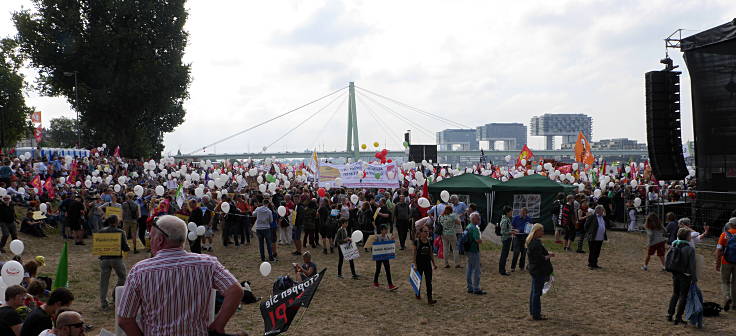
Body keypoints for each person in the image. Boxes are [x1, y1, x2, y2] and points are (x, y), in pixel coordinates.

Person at [117, 215, 244, 336]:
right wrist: (218, 325)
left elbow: (125, 320)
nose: (150, 242)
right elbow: (235, 290)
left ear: (160, 240)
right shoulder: (207, 263)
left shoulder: (140, 271)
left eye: (151, 238)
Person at [98, 215, 130, 310]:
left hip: (104, 259)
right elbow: (125, 247)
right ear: (116, 222)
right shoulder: (120, 232)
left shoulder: (101, 231)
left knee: (104, 281)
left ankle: (103, 302)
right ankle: (115, 295)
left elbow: (98, 245)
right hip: (116, 259)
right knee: (123, 277)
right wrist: (128, 247)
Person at [667, 228, 697, 325]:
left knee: (675, 293)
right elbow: (692, 266)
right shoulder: (690, 249)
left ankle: (669, 314)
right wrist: (694, 277)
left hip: (675, 273)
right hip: (685, 275)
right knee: (683, 295)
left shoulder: (674, 245)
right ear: (687, 237)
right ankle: (678, 317)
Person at [526, 223, 554, 321]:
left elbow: (537, 255)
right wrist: (548, 256)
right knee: (537, 293)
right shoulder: (536, 243)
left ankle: (533, 312)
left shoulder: (532, 241)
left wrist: (548, 254)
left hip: (534, 269)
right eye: (541, 230)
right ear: (537, 231)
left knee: (534, 291)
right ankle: (536, 314)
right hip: (538, 270)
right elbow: (539, 258)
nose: (543, 232)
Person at [715, 217, 736, 312]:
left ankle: (727, 296)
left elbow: (719, 250)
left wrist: (718, 263)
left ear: (730, 224)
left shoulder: (724, 235)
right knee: (735, 283)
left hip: (726, 261)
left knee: (725, 281)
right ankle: (735, 304)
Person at [413, 225, 437, 304]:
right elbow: (414, 254)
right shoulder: (417, 242)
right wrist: (415, 265)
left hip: (427, 264)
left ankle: (430, 298)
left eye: (428, 231)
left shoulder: (429, 241)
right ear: (420, 233)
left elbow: (430, 253)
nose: (427, 233)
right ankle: (417, 293)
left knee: (429, 281)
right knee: (418, 280)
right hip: (419, 264)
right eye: (425, 231)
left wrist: (434, 264)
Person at [372, 225, 398, 290]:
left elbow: (390, 245)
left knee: (387, 270)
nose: (386, 231)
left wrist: (392, 240)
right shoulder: (378, 237)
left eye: (386, 229)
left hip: (386, 256)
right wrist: (374, 241)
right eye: (385, 229)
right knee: (378, 269)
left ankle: (390, 284)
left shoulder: (387, 236)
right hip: (379, 256)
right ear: (381, 230)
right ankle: (375, 282)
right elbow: (374, 246)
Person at [465, 213, 485, 295]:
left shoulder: (468, 226)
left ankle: (470, 287)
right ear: (474, 219)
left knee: (469, 269)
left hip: (468, 250)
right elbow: (477, 240)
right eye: (478, 219)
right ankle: (476, 288)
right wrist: (481, 240)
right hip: (474, 250)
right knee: (476, 270)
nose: (479, 220)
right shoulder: (474, 228)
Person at [584, 205, 608, 270]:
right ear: (598, 210)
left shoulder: (602, 217)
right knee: (592, 251)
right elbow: (586, 225)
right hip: (593, 237)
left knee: (597, 251)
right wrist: (589, 233)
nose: (603, 212)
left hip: (600, 238)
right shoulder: (592, 216)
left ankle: (595, 263)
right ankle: (591, 264)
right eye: (602, 210)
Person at [498, 206, 516, 276]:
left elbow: (507, 229)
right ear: (507, 212)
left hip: (508, 239)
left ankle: (502, 269)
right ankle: (502, 270)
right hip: (506, 239)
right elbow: (502, 232)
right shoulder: (505, 220)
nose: (512, 213)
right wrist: (512, 232)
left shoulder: (507, 219)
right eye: (511, 211)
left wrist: (513, 230)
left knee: (505, 255)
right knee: (504, 255)